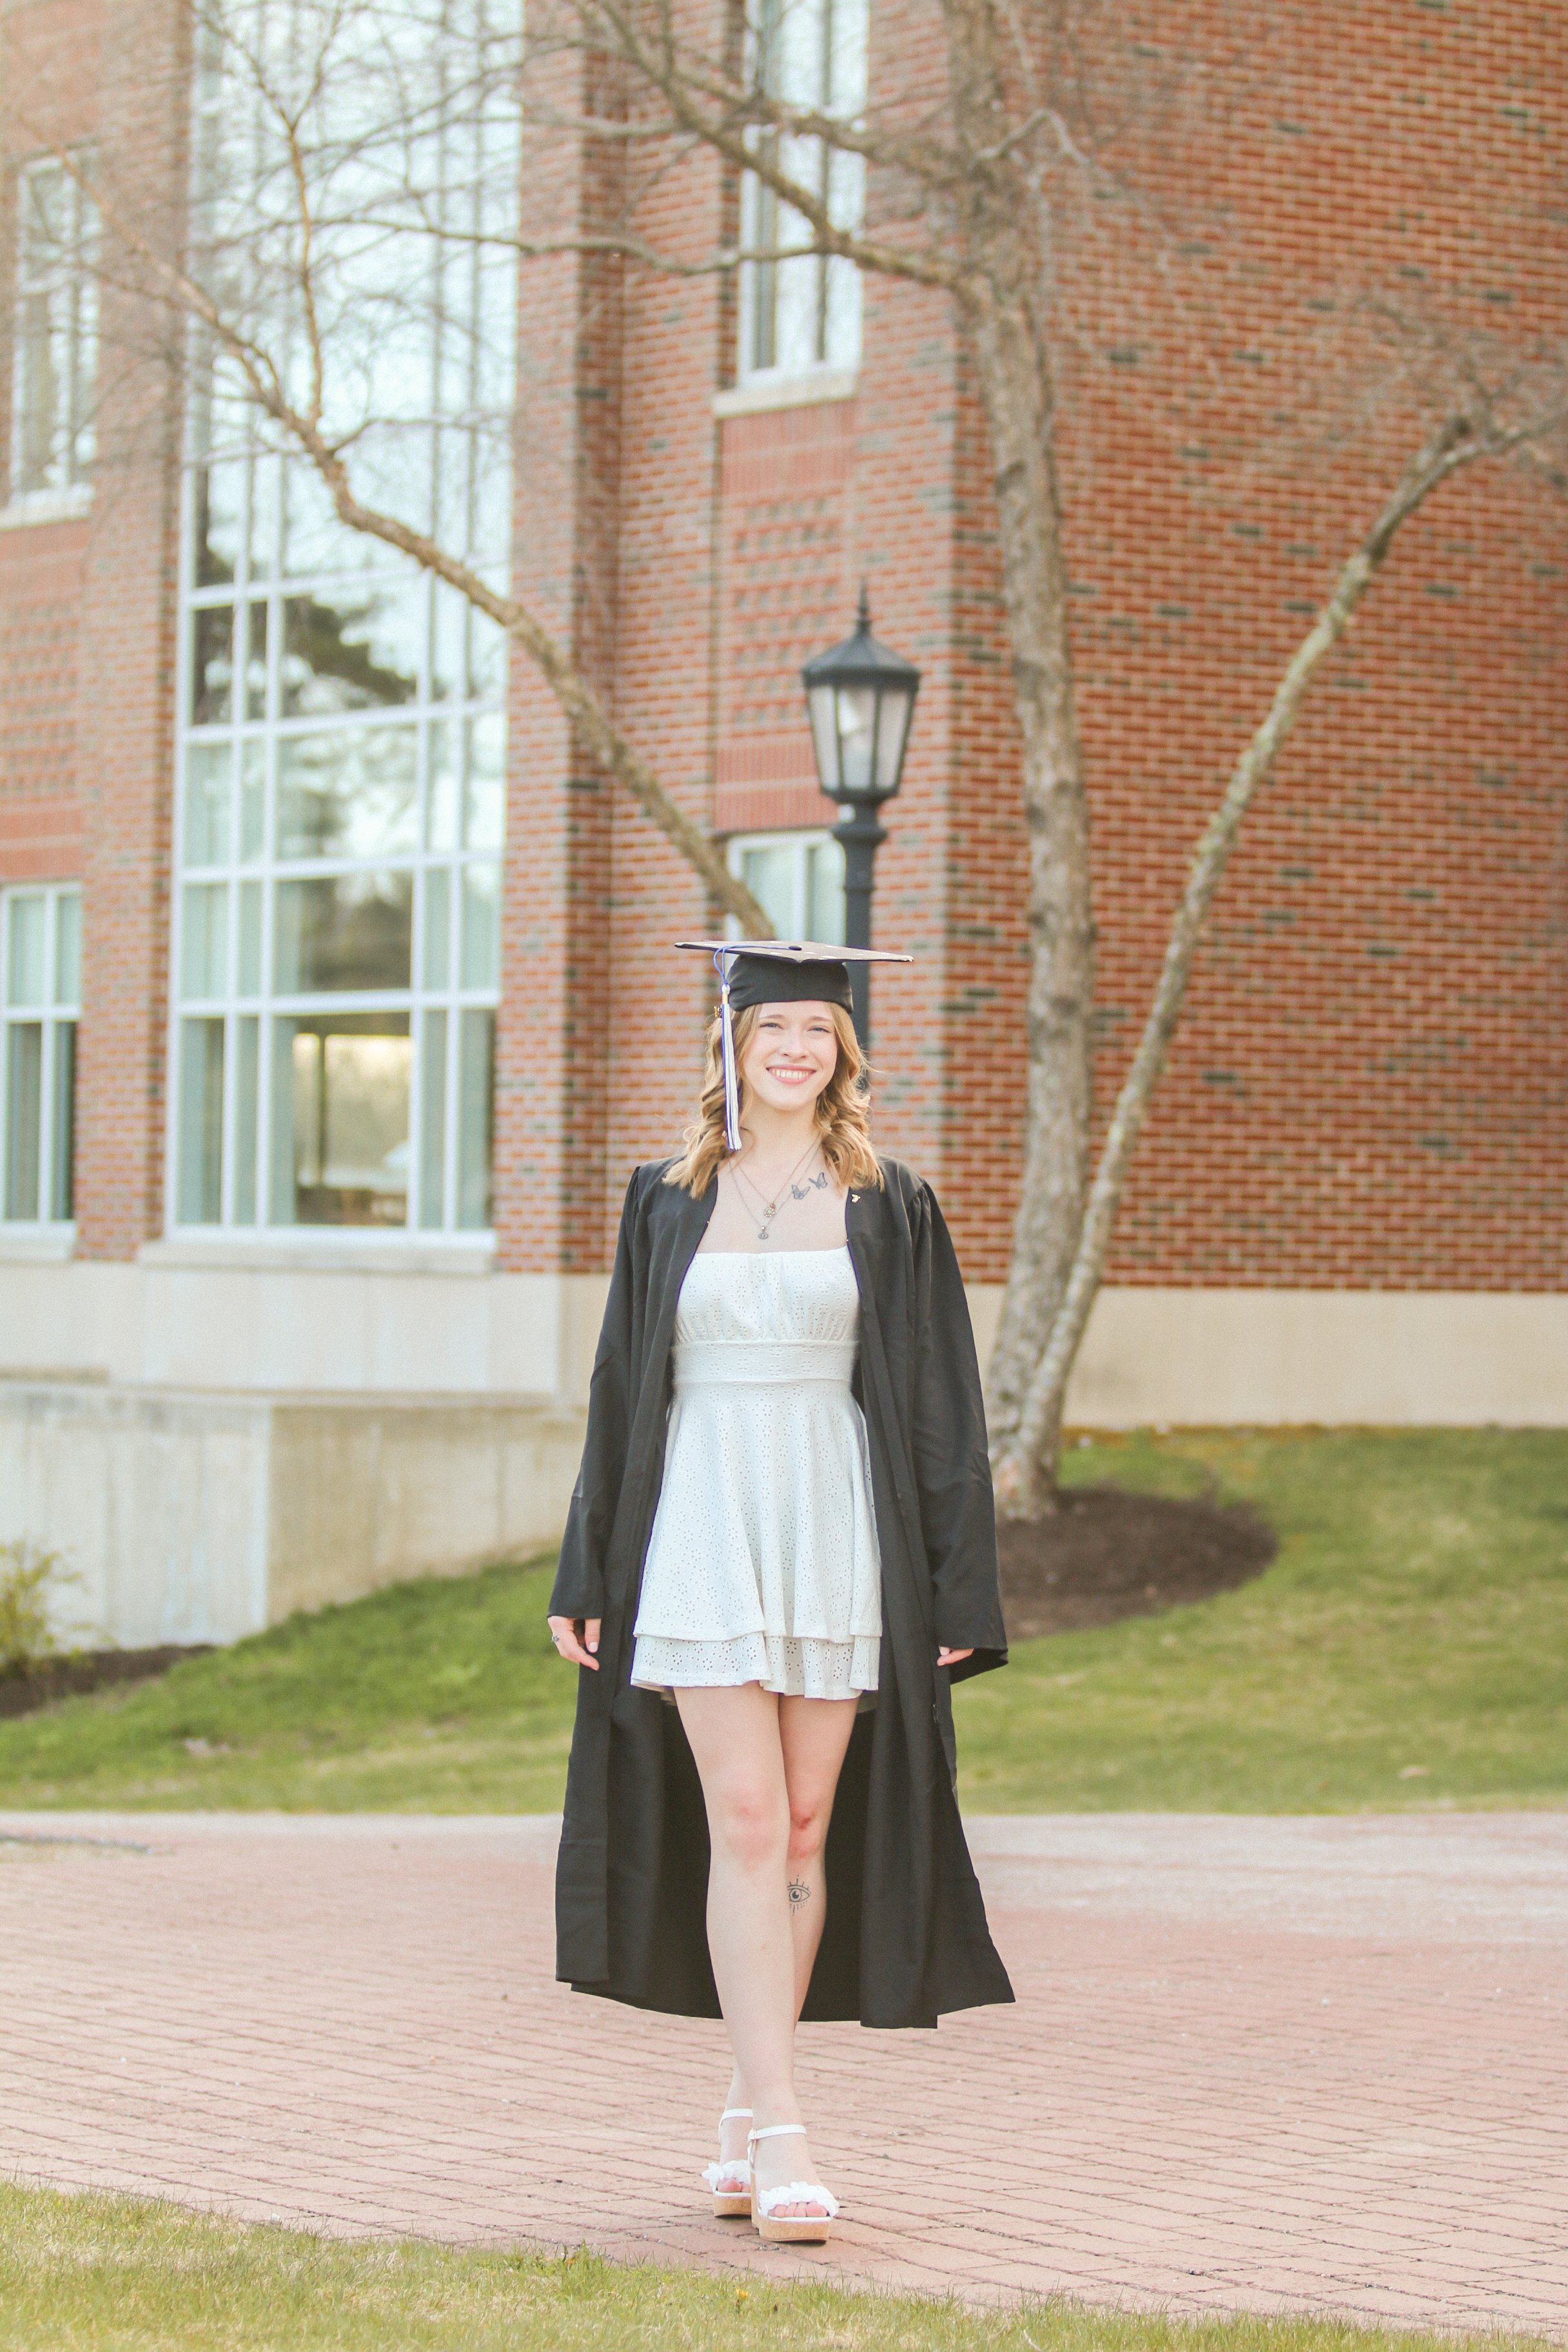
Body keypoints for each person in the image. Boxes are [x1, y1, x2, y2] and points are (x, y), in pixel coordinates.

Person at [547, 940, 1012, 2246]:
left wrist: (956, 1590)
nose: (796, 1049)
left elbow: (940, 1413)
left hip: (833, 1526)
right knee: (746, 1819)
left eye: (818, 1030)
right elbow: (619, 1393)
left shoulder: (891, 1202)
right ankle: (789, 2128)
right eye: (774, 1029)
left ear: (843, 1054)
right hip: (701, 1519)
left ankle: (747, 2104)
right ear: (732, 1045)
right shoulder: (663, 1198)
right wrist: (588, 1571)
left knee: (807, 1826)